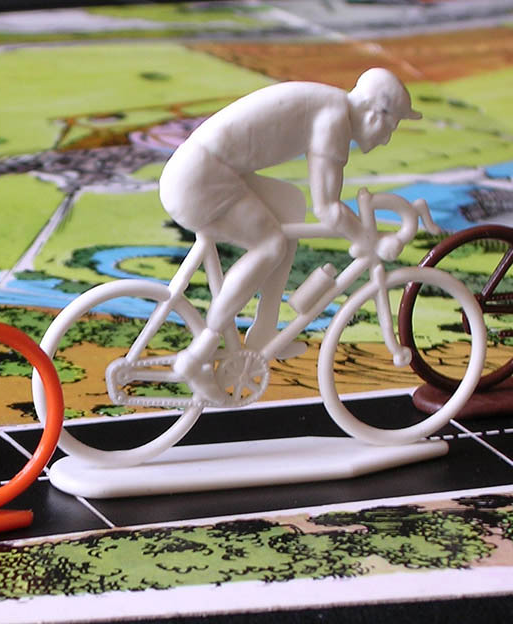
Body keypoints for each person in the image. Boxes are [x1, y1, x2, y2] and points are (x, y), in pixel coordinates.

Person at [159, 68, 421, 397]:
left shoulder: (330, 103)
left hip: (202, 169)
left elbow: (320, 207)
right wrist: (371, 240)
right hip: (199, 179)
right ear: (374, 115)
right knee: (270, 244)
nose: (387, 139)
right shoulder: (333, 117)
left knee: (290, 207)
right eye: (391, 127)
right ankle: (198, 353)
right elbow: (328, 209)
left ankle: (264, 331)